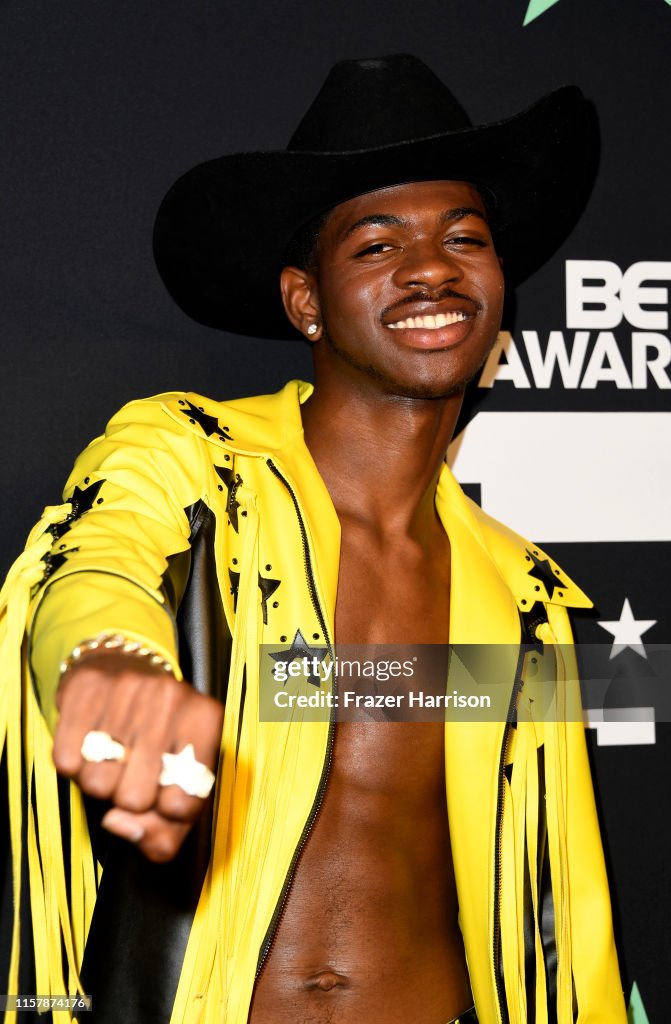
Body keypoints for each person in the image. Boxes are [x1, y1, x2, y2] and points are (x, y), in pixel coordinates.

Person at [0, 55, 627, 1024]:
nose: (431, 267)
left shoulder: (524, 597)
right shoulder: (190, 457)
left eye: (465, 237)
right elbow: (97, 559)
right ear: (305, 302)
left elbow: (548, 899)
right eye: (376, 247)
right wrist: (111, 659)